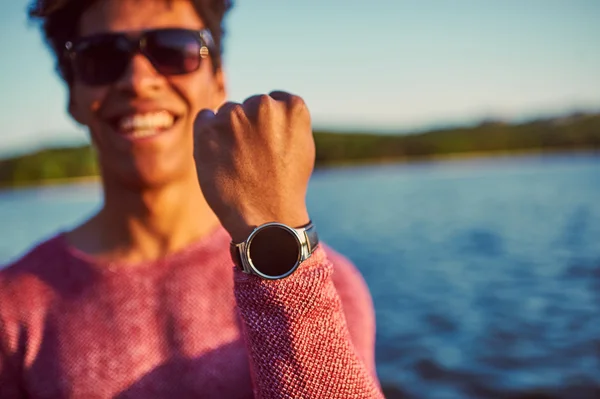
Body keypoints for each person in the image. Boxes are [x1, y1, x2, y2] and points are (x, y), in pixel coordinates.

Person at [0, 0, 383, 397]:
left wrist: (277, 245)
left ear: (219, 78)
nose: (138, 79)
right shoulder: (13, 307)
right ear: (73, 95)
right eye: (100, 56)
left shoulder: (324, 282)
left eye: (173, 49)